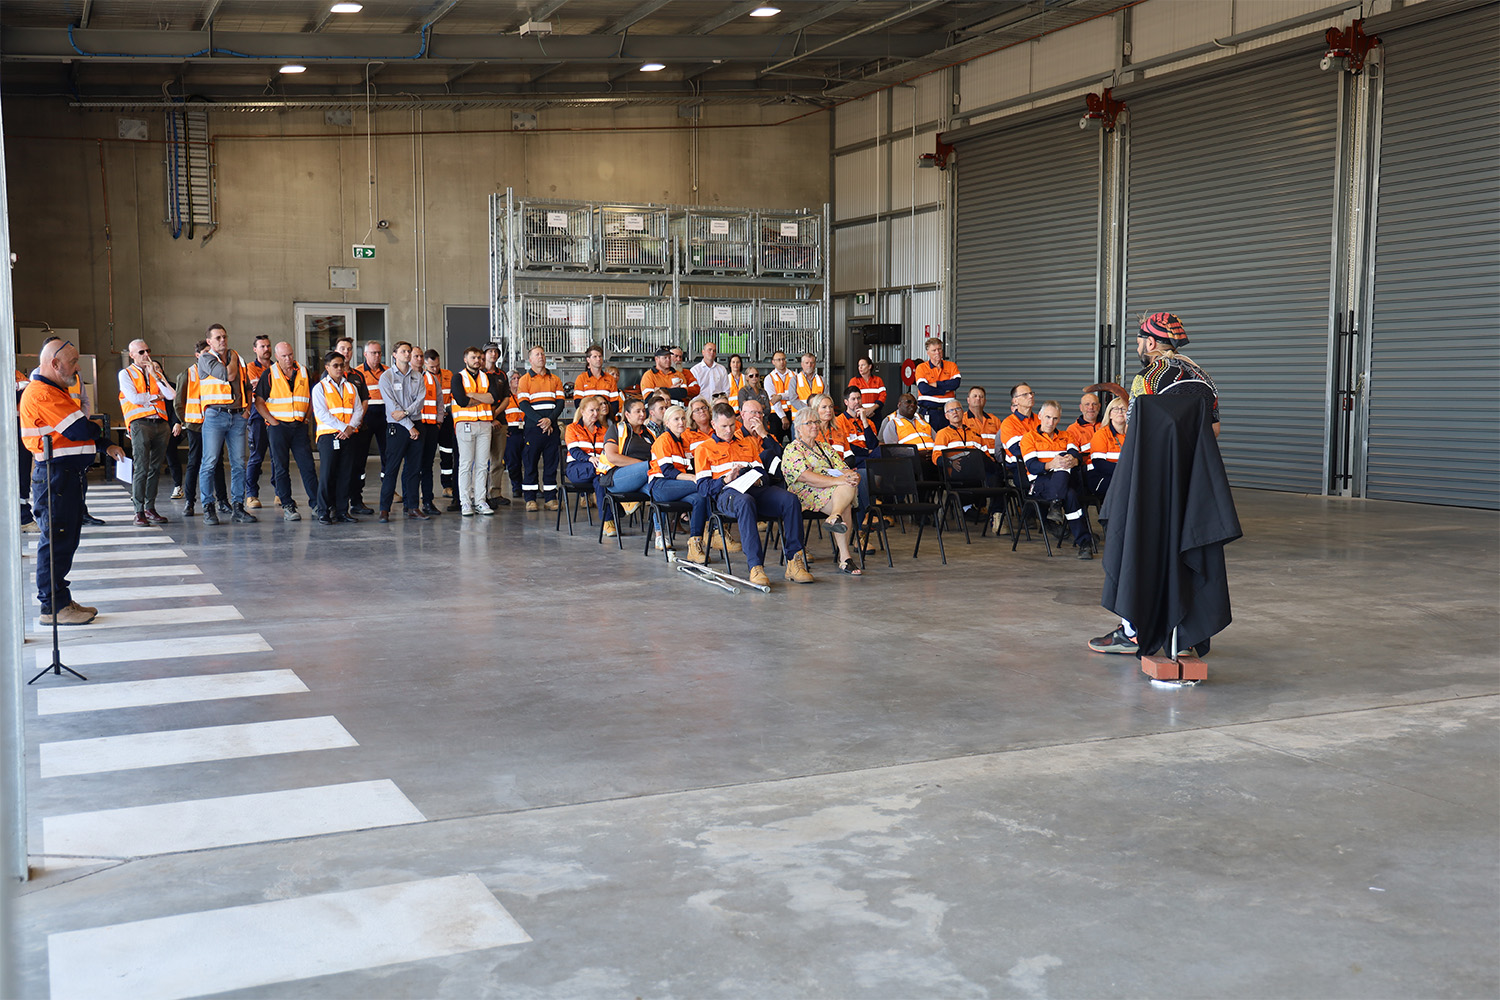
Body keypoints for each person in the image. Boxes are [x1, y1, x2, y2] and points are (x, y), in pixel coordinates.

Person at [1090, 311, 1223, 656]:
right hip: (1194, 484)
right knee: (1186, 550)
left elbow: (1138, 435)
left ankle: (1133, 630)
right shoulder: (1204, 377)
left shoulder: (1147, 379)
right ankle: (1186, 634)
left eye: (1138, 340)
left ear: (1150, 342)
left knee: (1137, 545)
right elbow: (1214, 431)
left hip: (1153, 484)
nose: (1138, 346)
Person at [20, 340, 126, 625]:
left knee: (65, 541)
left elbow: (79, 430)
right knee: (56, 541)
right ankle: (52, 607)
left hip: (66, 477)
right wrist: (96, 430)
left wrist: (104, 444)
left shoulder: (57, 390)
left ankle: (61, 598)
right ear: (55, 364)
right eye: (73, 361)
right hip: (55, 477)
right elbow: (80, 428)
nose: (77, 367)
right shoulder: (43, 394)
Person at [694, 402, 813, 588]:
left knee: (790, 499)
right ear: (714, 425)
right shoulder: (704, 449)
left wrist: (758, 480)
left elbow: (762, 472)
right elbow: (702, 488)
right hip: (727, 494)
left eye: (732, 425)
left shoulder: (747, 442)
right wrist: (725, 480)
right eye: (724, 426)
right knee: (745, 501)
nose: (728, 430)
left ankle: (794, 561)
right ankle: (755, 566)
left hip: (754, 488)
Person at [783, 407, 862, 575]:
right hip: (805, 493)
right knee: (845, 500)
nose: (815, 426)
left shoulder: (825, 448)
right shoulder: (792, 449)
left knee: (848, 487)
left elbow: (844, 469)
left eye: (816, 422)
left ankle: (835, 517)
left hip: (832, 491)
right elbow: (805, 477)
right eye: (810, 423)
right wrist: (838, 480)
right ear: (798, 428)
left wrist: (852, 476)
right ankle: (845, 558)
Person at [252, 340, 320, 521]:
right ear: (276, 357)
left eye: (290, 355)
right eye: (284, 356)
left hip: (299, 427)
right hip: (278, 428)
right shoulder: (269, 374)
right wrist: (272, 421)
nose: (288, 359)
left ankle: (316, 504)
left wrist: (306, 417)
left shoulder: (303, 372)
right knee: (280, 467)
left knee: (307, 466)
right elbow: (259, 402)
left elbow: (312, 396)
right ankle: (288, 505)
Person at [197, 323, 256, 525]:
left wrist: (247, 408)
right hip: (215, 416)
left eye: (224, 337)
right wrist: (232, 358)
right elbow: (228, 375)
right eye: (218, 338)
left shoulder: (237, 358)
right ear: (209, 341)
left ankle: (238, 507)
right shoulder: (206, 358)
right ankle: (208, 507)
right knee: (210, 462)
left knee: (239, 463)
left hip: (238, 416)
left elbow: (246, 385)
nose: (223, 340)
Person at [1021, 400, 1095, 559]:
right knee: (1068, 490)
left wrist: (1073, 460)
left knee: (1068, 485)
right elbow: (1032, 466)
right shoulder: (1029, 438)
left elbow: (1077, 455)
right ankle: (1084, 542)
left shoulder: (1066, 436)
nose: (1050, 422)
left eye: (1055, 418)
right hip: (1040, 483)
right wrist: (1050, 464)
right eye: (1047, 417)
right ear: (1040, 416)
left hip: (1061, 483)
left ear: (1059, 419)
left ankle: (1057, 504)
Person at [117, 339, 176, 525]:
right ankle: (138, 510)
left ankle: (150, 508)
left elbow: (171, 395)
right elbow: (134, 398)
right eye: (141, 352)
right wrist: (156, 396)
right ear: (132, 355)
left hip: (160, 424)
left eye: (147, 351)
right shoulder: (125, 374)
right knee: (141, 467)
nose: (146, 355)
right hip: (140, 424)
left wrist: (157, 376)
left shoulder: (155, 371)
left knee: (155, 468)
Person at [375, 341, 431, 522]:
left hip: (416, 424)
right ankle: (384, 509)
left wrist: (407, 414)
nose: (407, 354)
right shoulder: (387, 377)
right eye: (403, 351)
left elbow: (420, 401)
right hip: (397, 428)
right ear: (394, 354)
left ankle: (413, 507)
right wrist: (410, 426)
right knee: (391, 469)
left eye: (409, 351)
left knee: (414, 470)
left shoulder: (418, 376)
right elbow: (393, 407)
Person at [647, 403, 709, 559]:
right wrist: (693, 478)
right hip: (660, 486)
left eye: (683, 418)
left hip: (678, 486)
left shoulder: (682, 442)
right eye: (676, 419)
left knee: (700, 498)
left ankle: (695, 544)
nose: (681, 422)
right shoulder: (663, 440)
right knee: (702, 486)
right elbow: (667, 471)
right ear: (667, 422)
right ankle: (713, 532)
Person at [312, 350, 365, 524]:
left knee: (345, 474)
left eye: (342, 365)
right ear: (327, 367)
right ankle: (323, 511)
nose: (339, 368)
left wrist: (350, 429)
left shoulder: (350, 386)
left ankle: (343, 511)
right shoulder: (320, 388)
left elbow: (358, 409)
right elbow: (322, 413)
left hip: (348, 436)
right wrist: (344, 427)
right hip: (329, 436)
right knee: (328, 474)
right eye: (335, 365)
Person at [175, 338, 225, 518]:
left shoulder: (217, 371)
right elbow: (178, 403)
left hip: (215, 424)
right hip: (196, 426)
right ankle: (190, 501)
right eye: (205, 354)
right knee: (194, 462)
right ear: (197, 356)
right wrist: (187, 422)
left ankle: (223, 501)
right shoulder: (187, 375)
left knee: (217, 462)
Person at [450, 346, 499, 516]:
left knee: (482, 465)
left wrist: (472, 395)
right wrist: (480, 397)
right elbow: (462, 401)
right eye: (473, 357)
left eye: (479, 357)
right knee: (465, 464)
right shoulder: (457, 378)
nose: (477, 360)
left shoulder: (488, 378)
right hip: (465, 424)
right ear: (465, 359)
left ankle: (480, 501)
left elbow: (493, 398)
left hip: (485, 424)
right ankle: (465, 502)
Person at [597, 397, 655, 537]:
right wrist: (641, 465)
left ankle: (660, 535)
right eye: (637, 411)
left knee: (658, 490)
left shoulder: (649, 433)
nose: (642, 414)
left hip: (644, 477)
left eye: (643, 411)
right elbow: (612, 457)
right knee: (652, 467)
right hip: (616, 478)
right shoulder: (617, 429)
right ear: (627, 415)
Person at [517, 345, 565, 511]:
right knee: (530, 463)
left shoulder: (555, 379)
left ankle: (550, 498)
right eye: (537, 354)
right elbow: (523, 405)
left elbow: (560, 403)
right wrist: (541, 421)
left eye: (543, 354)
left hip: (551, 428)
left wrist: (550, 420)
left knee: (552, 463)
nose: (541, 357)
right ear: (530, 360)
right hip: (533, 428)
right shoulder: (524, 380)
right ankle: (530, 499)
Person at [564, 393, 609, 517]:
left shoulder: (604, 431)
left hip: (599, 470)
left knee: (600, 481)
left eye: (597, 410)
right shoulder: (572, 428)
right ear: (582, 411)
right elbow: (574, 451)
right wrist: (589, 458)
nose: (596, 413)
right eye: (592, 410)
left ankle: (607, 521)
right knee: (604, 473)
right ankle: (625, 505)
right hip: (576, 468)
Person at [416, 350, 449, 516]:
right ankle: (411, 504)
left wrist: (438, 422)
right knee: (412, 467)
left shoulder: (431, 378)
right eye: (416, 356)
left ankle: (428, 502)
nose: (419, 359)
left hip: (430, 427)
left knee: (427, 466)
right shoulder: (407, 379)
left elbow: (439, 401)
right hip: (414, 427)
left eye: (421, 356)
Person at [242, 334, 272, 509]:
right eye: (262, 346)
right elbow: (258, 387)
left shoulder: (277, 367)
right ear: (255, 349)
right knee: (257, 456)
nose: (266, 349)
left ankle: (279, 494)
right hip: (258, 415)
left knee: (277, 457)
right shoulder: (250, 367)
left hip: (276, 415)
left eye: (268, 346)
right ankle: (251, 495)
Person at [481, 345, 511, 507]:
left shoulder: (501, 375)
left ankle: (495, 492)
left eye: (495, 351)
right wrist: (490, 418)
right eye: (490, 351)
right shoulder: (479, 374)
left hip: (501, 422)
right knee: (480, 460)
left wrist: (496, 415)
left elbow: (506, 398)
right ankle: (479, 494)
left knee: (497, 460)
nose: (493, 354)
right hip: (482, 422)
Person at [914, 336, 962, 432]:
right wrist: (945, 390)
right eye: (934, 350)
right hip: (928, 411)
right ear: (928, 353)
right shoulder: (921, 368)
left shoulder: (951, 366)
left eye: (939, 349)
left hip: (948, 412)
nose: (937, 352)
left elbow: (955, 384)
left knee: (949, 438)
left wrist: (935, 384)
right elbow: (924, 389)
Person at [1087, 396, 1128, 498]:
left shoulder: (1133, 434)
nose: (1120, 412)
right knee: (1125, 486)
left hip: (1124, 477)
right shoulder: (1101, 434)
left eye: (1123, 409)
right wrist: (1125, 471)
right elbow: (1099, 464)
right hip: (1100, 478)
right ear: (1109, 414)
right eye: (1116, 409)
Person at [880, 392, 936, 458]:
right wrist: (915, 453)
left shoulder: (921, 420)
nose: (912, 405)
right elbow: (892, 450)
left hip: (933, 458)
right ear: (899, 405)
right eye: (908, 402)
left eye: (915, 403)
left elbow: (937, 440)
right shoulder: (891, 422)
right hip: (910, 460)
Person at [833, 386, 878, 466]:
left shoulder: (869, 422)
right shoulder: (838, 421)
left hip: (869, 457)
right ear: (846, 402)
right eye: (853, 399)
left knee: (882, 454)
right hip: (852, 457)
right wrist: (866, 452)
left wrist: (864, 421)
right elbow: (845, 445)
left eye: (859, 398)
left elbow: (873, 445)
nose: (857, 401)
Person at [998, 382, 1039, 468]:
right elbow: (1016, 450)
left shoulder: (1040, 419)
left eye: (1031, 393)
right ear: (1015, 400)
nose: (1031, 396)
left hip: (1040, 463)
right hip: (1018, 466)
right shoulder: (1008, 423)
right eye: (1025, 395)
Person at [575, 344, 620, 420]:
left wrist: (607, 418)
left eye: (600, 356)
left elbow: (615, 404)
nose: (598, 359)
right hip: (588, 420)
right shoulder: (581, 378)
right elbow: (578, 403)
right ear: (588, 359)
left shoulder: (610, 379)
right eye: (595, 357)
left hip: (606, 420)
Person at [500, 369, 525, 506]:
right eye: (514, 378)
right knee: (513, 461)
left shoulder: (524, 395)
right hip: (511, 431)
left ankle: (529, 486)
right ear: (509, 382)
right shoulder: (506, 397)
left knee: (527, 460)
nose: (517, 380)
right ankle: (516, 486)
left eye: (518, 378)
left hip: (524, 430)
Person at [765, 350, 796, 436]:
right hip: (776, 414)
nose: (781, 362)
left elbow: (796, 394)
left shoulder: (794, 376)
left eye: (783, 359)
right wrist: (783, 417)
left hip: (793, 413)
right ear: (773, 362)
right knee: (776, 444)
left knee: (796, 444)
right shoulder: (769, 378)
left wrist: (780, 396)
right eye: (778, 360)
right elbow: (774, 400)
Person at [849, 356, 888, 424]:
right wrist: (864, 410)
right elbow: (851, 398)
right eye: (859, 365)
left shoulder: (878, 380)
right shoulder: (853, 381)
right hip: (859, 414)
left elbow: (883, 396)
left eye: (863, 365)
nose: (860, 368)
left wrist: (872, 409)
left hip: (875, 414)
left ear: (870, 366)